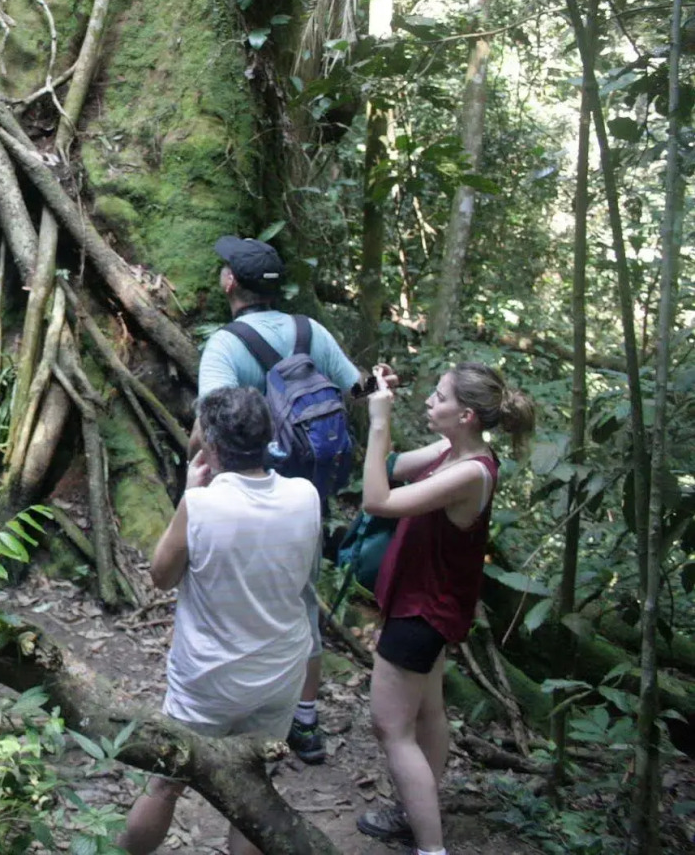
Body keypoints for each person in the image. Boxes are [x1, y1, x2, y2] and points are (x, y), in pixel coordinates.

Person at [192, 235, 396, 764]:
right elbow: (361, 390)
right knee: (301, 602)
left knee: (229, 597)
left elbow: (206, 425)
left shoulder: (226, 345)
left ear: (230, 282)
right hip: (306, 497)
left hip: (241, 492)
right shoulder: (311, 332)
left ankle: (228, 709)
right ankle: (303, 722)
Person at [118, 387, 322, 855]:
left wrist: (190, 497)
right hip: (279, 672)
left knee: (167, 783)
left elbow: (162, 577)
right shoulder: (305, 496)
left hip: (208, 680)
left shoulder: (202, 505)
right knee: (253, 791)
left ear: (209, 444)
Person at [355, 362, 535, 855]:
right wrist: (378, 405)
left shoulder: (470, 472)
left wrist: (376, 422)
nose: (430, 403)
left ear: (468, 416)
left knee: (391, 728)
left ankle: (431, 848)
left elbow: (377, 499)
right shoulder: (453, 451)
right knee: (429, 713)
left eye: (440, 398)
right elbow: (389, 468)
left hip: (422, 613)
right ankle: (416, 813)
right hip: (430, 607)